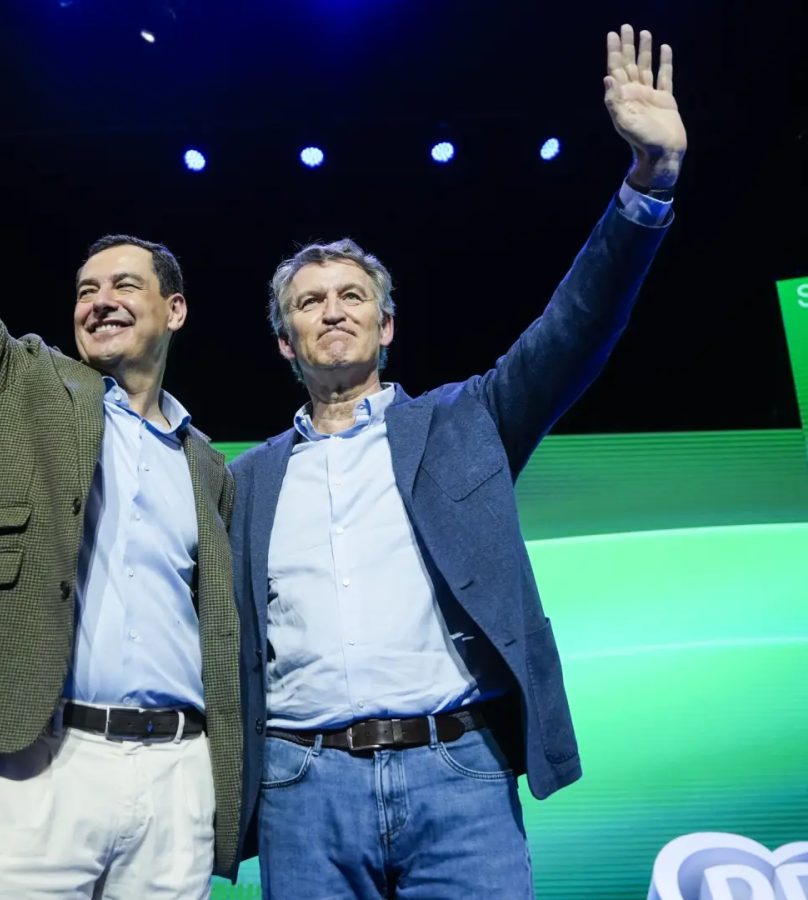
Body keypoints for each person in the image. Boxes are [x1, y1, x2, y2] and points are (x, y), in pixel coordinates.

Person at [229, 24, 687, 898]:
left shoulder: (466, 420)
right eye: (310, 303)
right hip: (302, 788)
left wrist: (648, 184)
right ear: (285, 340)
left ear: (387, 325)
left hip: (459, 775)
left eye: (352, 297)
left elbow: (576, 326)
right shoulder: (247, 481)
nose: (333, 313)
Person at [0, 1, 245, 895]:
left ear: (175, 310)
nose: (101, 299)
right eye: (86, 288)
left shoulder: (209, 465)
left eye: (125, 284)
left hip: (175, 780)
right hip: (31, 766)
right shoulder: (20, 381)